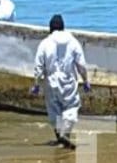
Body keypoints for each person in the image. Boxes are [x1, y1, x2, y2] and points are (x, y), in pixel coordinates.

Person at [31, 14, 90, 149]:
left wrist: (36, 84)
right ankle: (65, 134)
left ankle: (60, 137)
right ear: (63, 27)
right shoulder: (73, 42)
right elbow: (81, 64)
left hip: (51, 81)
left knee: (54, 110)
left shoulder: (45, 43)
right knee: (71, 107)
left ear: (50, 29)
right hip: (68, 81)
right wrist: (86, 80)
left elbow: (38, 66)